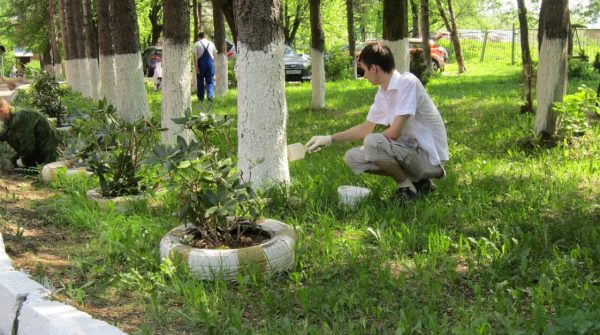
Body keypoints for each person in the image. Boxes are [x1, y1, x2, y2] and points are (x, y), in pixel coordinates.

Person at [306, 42, 448, 204]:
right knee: (352, 157)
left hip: (429, 159)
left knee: (372, 142)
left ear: (374, 68)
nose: (364, 75)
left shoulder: (408, 83)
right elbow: (365, 128)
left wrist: (373, 146)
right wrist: (329, 139)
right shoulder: (383, 93)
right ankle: (419, 183)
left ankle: (407, 188)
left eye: (364, 70)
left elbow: (394, 133)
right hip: (410, 151)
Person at [0, 98, 59, 168]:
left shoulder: (20, 117)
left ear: (1, 111)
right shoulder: (10, 117)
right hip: (37, 148)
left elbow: (28, 146)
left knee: (14, 162)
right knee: (13, 160)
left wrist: (22, 160)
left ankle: (34, 165)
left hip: (47, 152)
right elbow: (6, 134)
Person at [192, 32, 217, 103]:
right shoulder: (211, 43)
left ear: (198, 37)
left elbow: (195, 57)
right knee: (210, 81)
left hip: (201, 64)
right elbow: (215, 55)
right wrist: (213, 64)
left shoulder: (196, 44)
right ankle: (210, 95)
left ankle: (200, 98)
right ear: (205, 37)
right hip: (210, 64)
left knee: (200, 81)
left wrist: (196, 67)